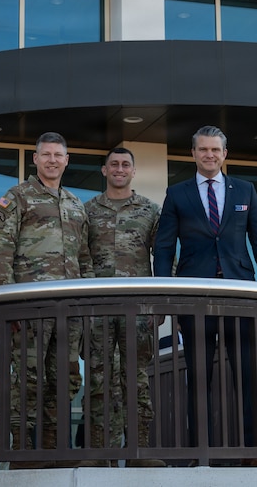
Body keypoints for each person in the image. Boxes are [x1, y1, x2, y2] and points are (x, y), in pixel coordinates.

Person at [154, 125, 257, 460]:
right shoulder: (177, 194)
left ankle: (254, 450)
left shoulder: (245, 191)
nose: (209, 155)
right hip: (194, 299)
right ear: (193, 154)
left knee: (248, 376)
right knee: (198, 378)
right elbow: (164, 247)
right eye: (203, 150)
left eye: (215, 150)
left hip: (240, 297)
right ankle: (201, 451)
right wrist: (165, 295)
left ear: (225, 154)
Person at [0, 132, 93, 466]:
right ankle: (21, 453)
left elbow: (85, 259)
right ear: (35, 159)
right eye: (46, 154)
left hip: (69, 310)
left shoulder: (76, 205)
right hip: (29, 307)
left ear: (66, 160)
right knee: (27, 381)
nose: (52, 160)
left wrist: (88, 303)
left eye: (58, 155)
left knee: (65, 380)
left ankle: (53, 452)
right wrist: (7, 302)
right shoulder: (16, 198)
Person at [84, 146, 165, 468]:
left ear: (133, 171)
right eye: (113, 164)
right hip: (97, 308)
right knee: (98, 379)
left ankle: (139, 452)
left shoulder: (150, 210)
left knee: (138, 379)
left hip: (138, 309)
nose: (119, 169)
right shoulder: (87, 210)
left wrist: (160, 302)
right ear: (104, 170)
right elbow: (79, 256)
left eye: (125, 165)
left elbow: (164, 256)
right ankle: (99, 453)